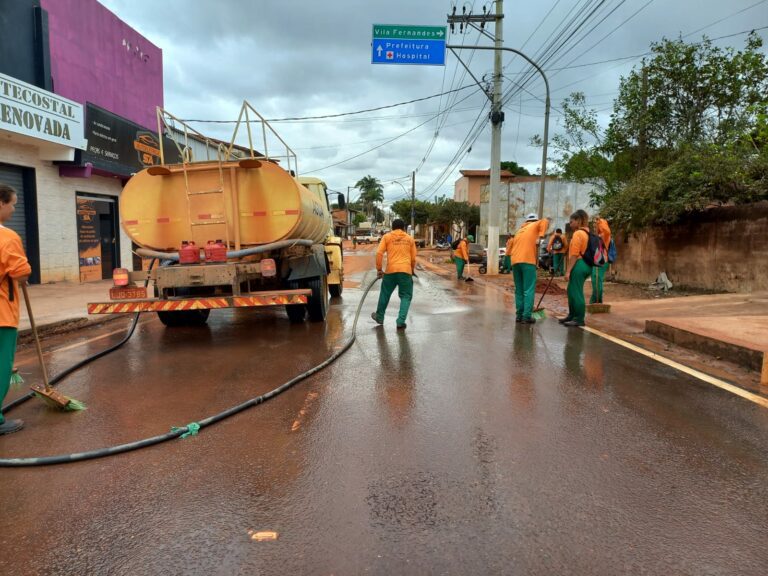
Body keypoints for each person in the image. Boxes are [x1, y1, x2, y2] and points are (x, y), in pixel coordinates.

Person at [0, 184, 32, 435]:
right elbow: (21, 273)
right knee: (1, 365)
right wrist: (22, 277)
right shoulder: (7, 236)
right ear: (0, 203)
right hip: (1, 315)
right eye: (12, 204)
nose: (13, 209)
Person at [371, 219, 416, 329]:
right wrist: (411, 270)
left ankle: (380, 317)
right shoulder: (410, 239)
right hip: (405, 270)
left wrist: (379, 269)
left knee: (385, 293)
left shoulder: (387, 237)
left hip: (390, 271)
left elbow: (379, 253)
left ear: (392, 228)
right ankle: (400, 321)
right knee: (406, 296)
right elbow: (413, 258)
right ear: (404, 228)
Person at [510, 213, 549, 324]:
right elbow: (545, 220)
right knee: (528, 289)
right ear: (535, 220)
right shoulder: (535, 225)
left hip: (515, 262)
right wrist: (540, 235)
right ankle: (526, 316)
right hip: (527, 261)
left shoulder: (519, 231)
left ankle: (519, 315)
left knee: (519, 290)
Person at [561, 209, 592, 327]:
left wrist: (568, 271)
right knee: (571, 290)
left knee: (576, 292)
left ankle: (579, 318)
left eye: (571, 221)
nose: (570, 224)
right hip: (586, 265)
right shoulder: (588, 233)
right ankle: (572, 315)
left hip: (579, 264)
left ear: (578, 221)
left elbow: (574, 255)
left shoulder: (578, 234)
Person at [590, 216, 611, 304]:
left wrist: (600, 221)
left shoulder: (604, 235)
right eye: (594, 225)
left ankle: (597, 300)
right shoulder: (596, 235)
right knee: (595, 279)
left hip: (602, 260)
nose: (595, 226)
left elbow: (606, 230)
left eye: (596, 225)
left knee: (597, 279)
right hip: (596, 260)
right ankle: (595, 299)